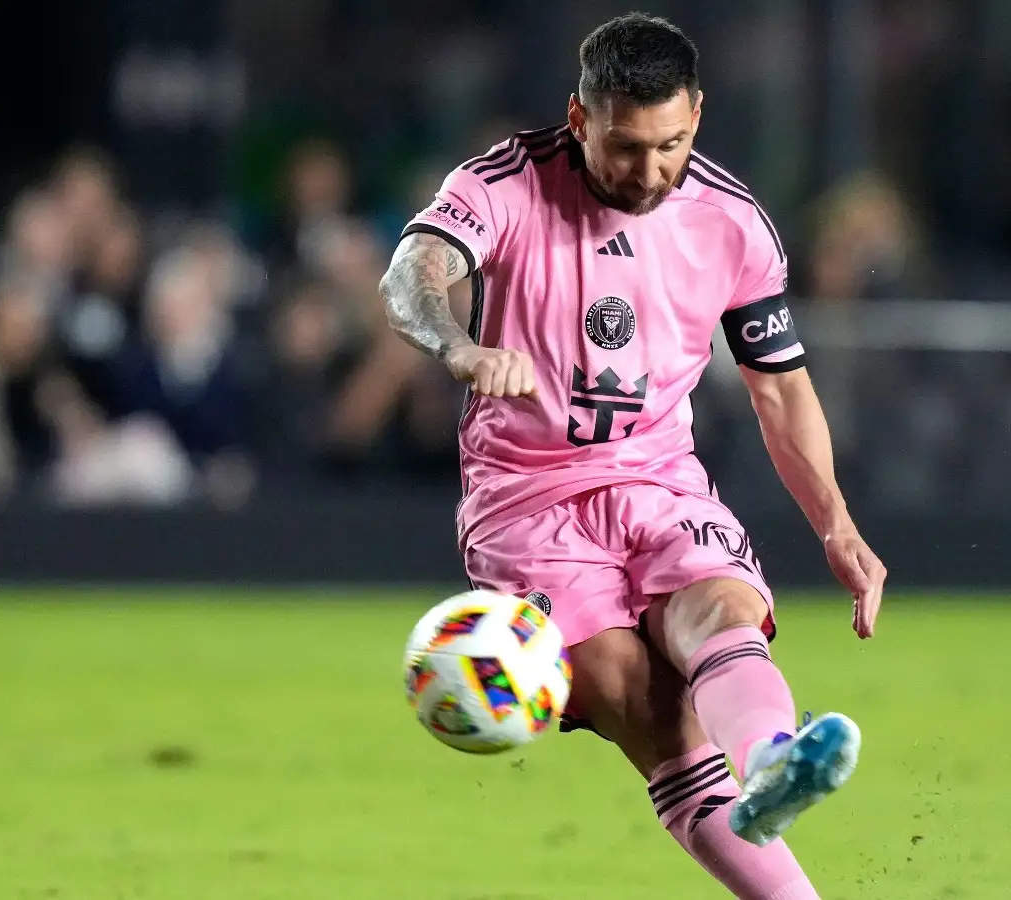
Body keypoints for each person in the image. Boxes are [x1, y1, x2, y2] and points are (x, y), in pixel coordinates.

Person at [379, 14, 886, 899]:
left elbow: (779, 389)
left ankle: (772, 763)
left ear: (697, 113)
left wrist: (837, 527)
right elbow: (408, 275)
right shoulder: (504, 183)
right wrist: (459, 348)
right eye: (624, 147)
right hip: (526, 501)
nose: (648, 172)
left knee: (721, 607)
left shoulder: (733, 224)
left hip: (657, 476)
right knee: (650, 707)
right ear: (580, 119)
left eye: (671, 145)